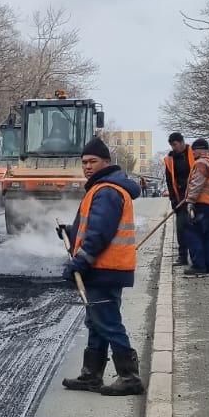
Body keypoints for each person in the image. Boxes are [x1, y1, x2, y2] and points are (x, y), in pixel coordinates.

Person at [60, 137, 144, 396]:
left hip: (104, 268)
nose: (86, 166)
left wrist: (80, 262)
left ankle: (129, 377)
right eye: (83, 162)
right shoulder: (104, 188)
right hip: (109, 268)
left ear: (106, 162)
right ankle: (91, 376)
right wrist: (71, 233)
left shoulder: (106, 190)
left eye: (92, 162)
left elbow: (99, 234)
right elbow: (91, 229)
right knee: (96, 321)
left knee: (107, 322)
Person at [183, 138, 209, 276]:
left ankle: (199, 266)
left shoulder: (201, 163)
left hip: (201, 204)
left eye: (193, 150)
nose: (192, 153)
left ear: (199, 150)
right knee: (208, 236)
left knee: (193, 234)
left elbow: (196, 184)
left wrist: (190, 202)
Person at [163, 131, 195, 267]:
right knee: (181, 227)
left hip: (196, 196)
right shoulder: (170, 160)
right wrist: (173, 200)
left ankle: (198, 257)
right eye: (171, 145)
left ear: (182, 142)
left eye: (175, 144)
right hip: (180, 197)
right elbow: (170, 182)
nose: (173, 148)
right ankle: (182, 256)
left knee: (196, 227)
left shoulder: (193, 153)